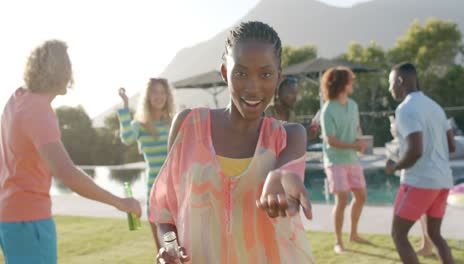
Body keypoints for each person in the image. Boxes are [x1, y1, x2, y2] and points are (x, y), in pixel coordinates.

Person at [150, 21, 314, 263]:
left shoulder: (289, 136)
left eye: (266, 74)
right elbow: (165, 209)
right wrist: (170, 248)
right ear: (226, 73)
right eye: (241, 73)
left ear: (278, 78)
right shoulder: (188, 126)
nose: (253, 87)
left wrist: (281, 174)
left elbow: (286, 170)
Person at [0, 40, 141, 264]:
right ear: (60, 71)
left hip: (10, 217)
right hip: (30, 220)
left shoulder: (16, 100)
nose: (71, 74)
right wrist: (120, 202)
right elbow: (66, 172)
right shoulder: (38, 110)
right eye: (68, 67)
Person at [385, 62, 456, 264]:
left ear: (400, 81)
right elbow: (451, 146)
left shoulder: (405, 109)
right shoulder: (435, 107)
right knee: (436, 235)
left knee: (398, 235)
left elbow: (416, 150)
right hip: (443, 180)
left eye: (391, 84)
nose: (390, 89)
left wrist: (394, 166)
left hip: (419, 181)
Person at [117, 78, 175, 247]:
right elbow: (127, 138)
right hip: (154, 187)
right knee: (162, 249)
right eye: (155, 92)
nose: (159, 96)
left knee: (181, 247)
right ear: (148, 96)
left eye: (162, 92)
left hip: (176, 187)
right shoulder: (141, 125)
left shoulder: (173, 122)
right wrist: (125, 106)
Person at [320, 66, 369, 253]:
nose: (353, 83)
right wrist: (354, 146)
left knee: (361, 196)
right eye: (350, 80)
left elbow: (356, 128)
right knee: (342, 200)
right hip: (335, 161)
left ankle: (354, 234)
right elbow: (331, 141)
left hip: (352, 159)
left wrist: (359, 140)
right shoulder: (327, 110)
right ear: (342, 83)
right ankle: (338, 242)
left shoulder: (353, 105)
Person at [390, 115, 435, 257]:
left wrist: (396, 131)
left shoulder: (410, 116)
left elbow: (413, 148)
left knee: (399, 232)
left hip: (419, 176)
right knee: (424, 213)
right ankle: (427, 245)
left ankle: (428, 246)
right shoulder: (427, 116)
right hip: (426, 173)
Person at [264, 76, 320, 140]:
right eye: (292, 93)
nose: (295, 98)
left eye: (296, 94)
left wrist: (307, 134)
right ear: (279, 93)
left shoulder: (291, 115)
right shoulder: (268, 114)